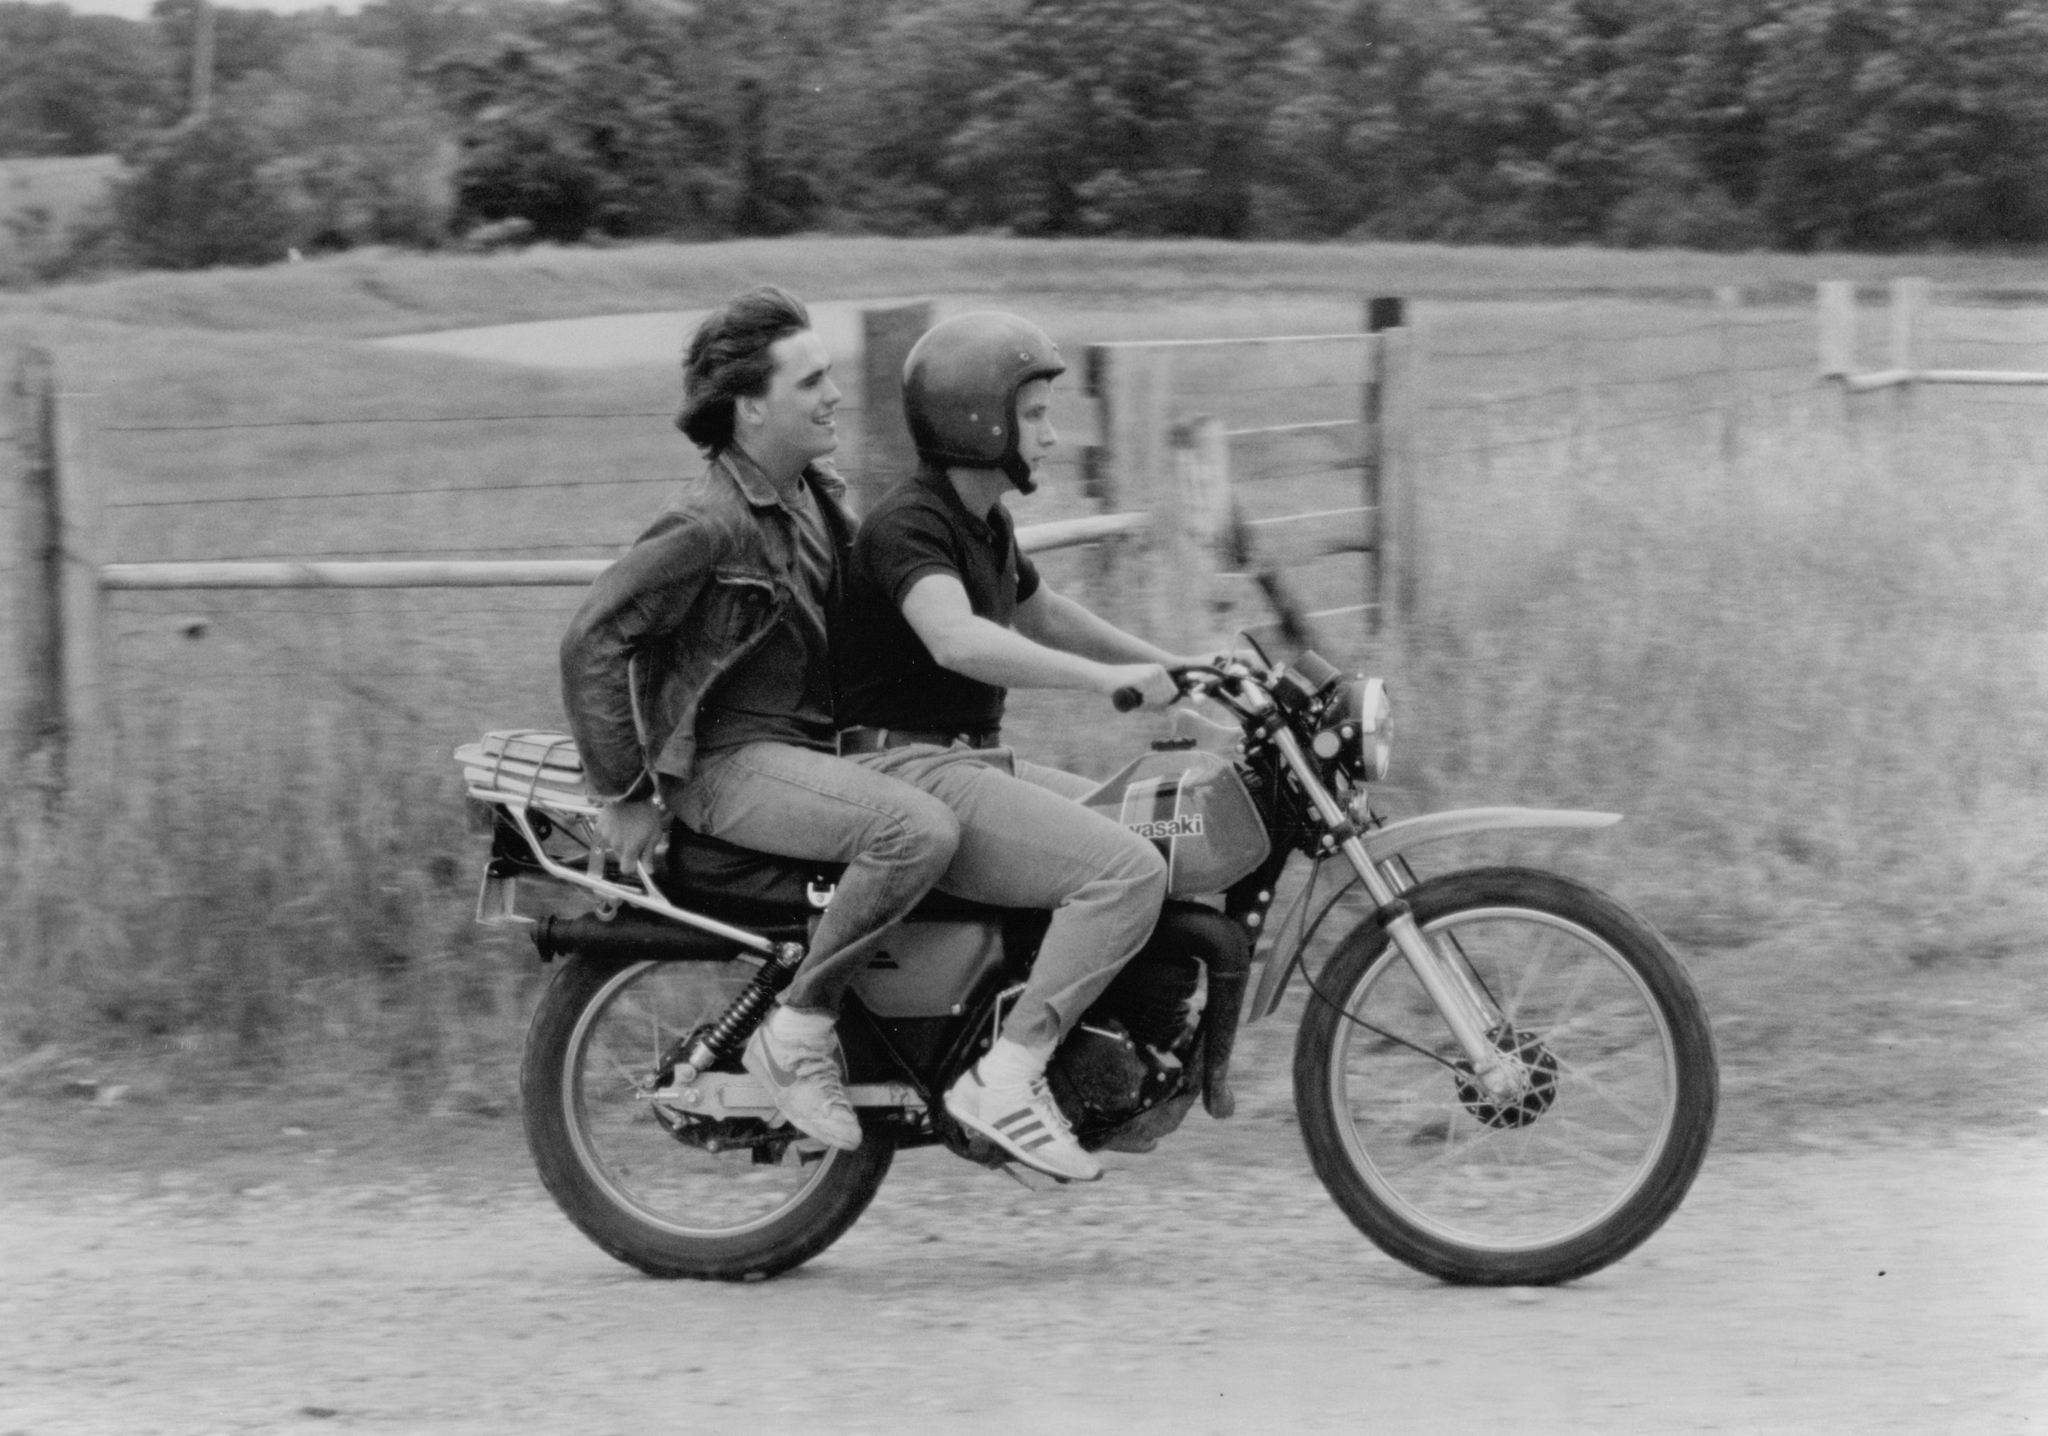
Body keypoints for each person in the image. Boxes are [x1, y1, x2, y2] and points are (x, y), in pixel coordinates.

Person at [559, 285, 961, 1155]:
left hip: (806, 753)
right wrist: (625, 790)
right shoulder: (711, 524)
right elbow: (593, 637)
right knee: (914, 833)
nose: (834, 395)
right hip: (730, 767)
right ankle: (799, 1032)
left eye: (831, 376)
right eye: (811, 381)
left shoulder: (815, 498)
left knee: (975, 798)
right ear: (748, 409)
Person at [834, 310, 1202, 1183]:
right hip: (908, 768)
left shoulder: (982, 523)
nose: (1052, 433)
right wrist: (1098, 682)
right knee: (1126, 869)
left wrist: (1173, 663)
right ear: (977, 420)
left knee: (1152, 831)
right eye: (1034, 415)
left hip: (966, 761)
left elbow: (1040, 613)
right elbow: (956, 639)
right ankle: (1007, 1077)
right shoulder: (909, 527)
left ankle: (1090, 1056)